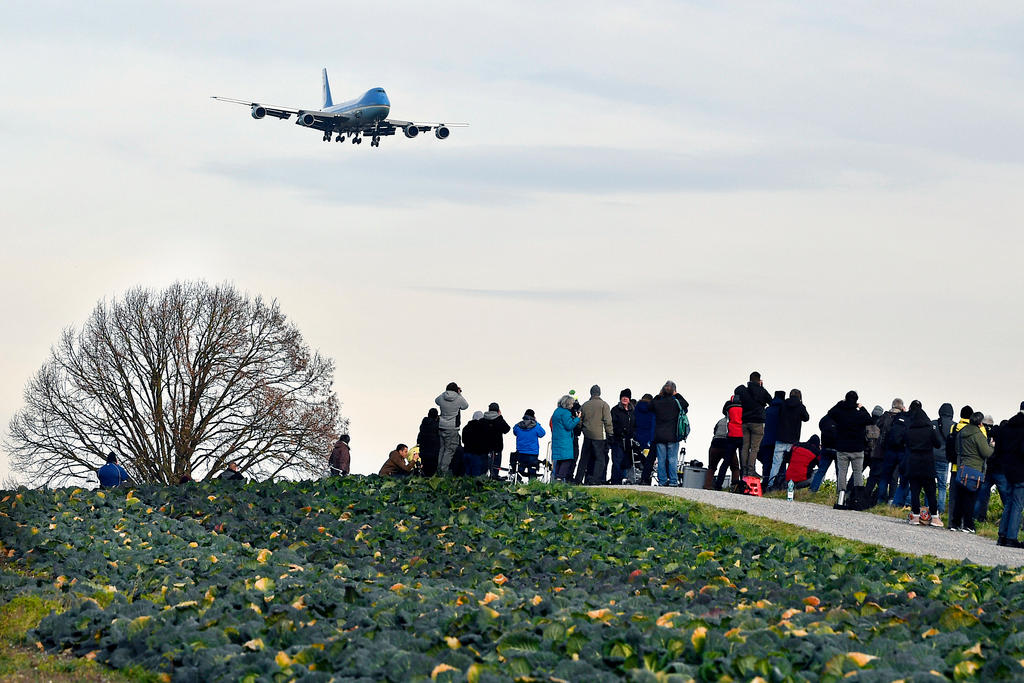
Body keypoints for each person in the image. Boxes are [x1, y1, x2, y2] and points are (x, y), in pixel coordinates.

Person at [949, 412, 994, 533]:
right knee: (970, 498)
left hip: (962, 468)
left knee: (959, 497)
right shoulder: (978, 435)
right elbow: (986, 453)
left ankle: (955, 523)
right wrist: (992, 447)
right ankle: (968, 525)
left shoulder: (962, 432)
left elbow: (957, 449)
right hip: (974, 470)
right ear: (980, 423)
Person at [827, 391, 874, 497]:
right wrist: (862, 408)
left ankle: (841, 496)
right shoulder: (860, 414)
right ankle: (857, 497)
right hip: (857, 449)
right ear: (856, 400)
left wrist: (840, 403)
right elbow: (870, 420)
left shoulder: (840, 412)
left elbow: (830, 413)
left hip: (842, 448)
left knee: (842, 472)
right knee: (858, 472)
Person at [904, 405, 943, 526]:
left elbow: (905, 443)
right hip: (927, 464)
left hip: (914, 463)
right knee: (931, 492)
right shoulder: (930, 429)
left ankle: (915, 517)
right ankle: (935, 518)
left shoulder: (910, 430)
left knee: (915, 491)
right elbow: (938, 444)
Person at [650, 380, 689, 487]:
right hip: (673, 436)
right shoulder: (676, 403)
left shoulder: (657, 403)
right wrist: (677, 394)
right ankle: (673, 481)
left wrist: (658, 395)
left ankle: (662, 481)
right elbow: (686, 404)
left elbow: (650, 406)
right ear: (674, 391)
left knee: (661, 460)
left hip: (660, 436)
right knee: (672, 459)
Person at [734, 372, 772, 478]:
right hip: (757, 423)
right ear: (759, 380)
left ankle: (744, 470)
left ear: (750, 379)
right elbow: (771, 401)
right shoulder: (762, 391)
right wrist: (762, 388)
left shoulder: (743, 391)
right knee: (754, 448)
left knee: (745, 447)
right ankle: (751, 470)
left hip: (745, 422)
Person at [771, 389, 810, 491]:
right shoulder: (800, 407)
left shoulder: (783, 404)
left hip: (780, 438)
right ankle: (788, 486)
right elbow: (806, 418)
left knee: (776, 464)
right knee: (792, 465)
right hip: (793, 440)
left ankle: (771, 485)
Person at [997, 402, 1024, 547]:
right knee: (1018, 504)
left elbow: (998, 450)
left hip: (1007, 470)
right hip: (1021, 471)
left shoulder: (1007, 426)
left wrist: (1005, 465)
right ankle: (1011, 537)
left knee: (1009, 502)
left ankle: (1002, 536)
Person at [576, 386, 613, 485]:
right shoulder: (604, 405)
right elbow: (608, 421)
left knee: (584, 459)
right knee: (600, 459)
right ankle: (595, 480)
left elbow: (579, 420)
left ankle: (578, 479)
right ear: (599, 393)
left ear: (591, 393)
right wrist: (610, 433)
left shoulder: (584, 405)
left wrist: (581, 429)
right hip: (599, 436)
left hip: (587, 435)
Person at [974, 415, 1008, 523]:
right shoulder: (1003, 436)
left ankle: (978, 518)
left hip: (988, 470)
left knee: (982, 496)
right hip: (1000, 471)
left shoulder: (984, 434)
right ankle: (1009, 519)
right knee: (1006, 498)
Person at [873, 399, 907, 505]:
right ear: (901, 406)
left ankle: (880, 499)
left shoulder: (885, 416)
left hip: (886, 450)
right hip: (900, 451)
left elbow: (876, 428)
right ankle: (892, 498)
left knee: (884, 476)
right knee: (894, 477)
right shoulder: (903, 418)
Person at [948, 405, 979, 518]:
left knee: (953, 497)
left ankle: (952, 521)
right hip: (968, 469)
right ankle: (963, 522)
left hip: (955, 466)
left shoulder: (954, 427)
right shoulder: (975, 430)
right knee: (966, 497)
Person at [435, 382, 469, 476]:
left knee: (442, 449)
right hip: (452, 428)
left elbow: (436, 401)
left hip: (441, 426)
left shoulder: (442, 397)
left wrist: (445, 393)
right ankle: (443, 471)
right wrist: (459, 393)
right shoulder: (458, 398)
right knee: (449, 451)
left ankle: (438, 469)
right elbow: (465, 406)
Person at [551, 395, 582, 483]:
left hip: (557, 439)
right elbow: (569, 426)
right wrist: (577, 419)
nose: (572, 406)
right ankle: (560, 478)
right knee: (567, 460)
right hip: (564, 440)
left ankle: (556, 478)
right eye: (571, 404)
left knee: (560, 460)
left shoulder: (556, 411)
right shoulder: (566, 413)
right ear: (567, 404)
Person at [932, 403, 955, 515]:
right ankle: (940, 511)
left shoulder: (933, 424)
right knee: (942, 486)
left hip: (931, 458)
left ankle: (928, 508)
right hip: (944, 460)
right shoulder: (954, 426)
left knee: (930, 484)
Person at [759, 391, 786, 486]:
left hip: (766, 440)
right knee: (780, 464)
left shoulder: (768, 409)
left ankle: (765, 484)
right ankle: (779, 485)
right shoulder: (783, 410)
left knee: (766, 464)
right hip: (778, 440)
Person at [609, 389, 636, 485]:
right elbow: (612, 424)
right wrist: (620, 431)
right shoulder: (615, 410)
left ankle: (625, 482)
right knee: (617, 462)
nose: (625, 398)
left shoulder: (632, 410)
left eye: (627, 397)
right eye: (623, 397)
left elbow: (635, 424)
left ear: (629, 399)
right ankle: (615, 482)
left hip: (629, 441)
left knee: (627, 463)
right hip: (618, 440)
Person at [705, 416, 739, 490]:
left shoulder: (720, 421)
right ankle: (735, 487)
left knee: (711, 467)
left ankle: (708, 485)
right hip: (728, 444)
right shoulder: (736, 421)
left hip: (715, 444)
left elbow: (714, 431)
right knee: (735, 467)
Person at [512, 409, 546, 478]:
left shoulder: (518, 426)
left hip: (521, 453)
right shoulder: (536, 426)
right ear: (533, 416)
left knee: (519, 471)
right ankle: (532, 486)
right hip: (532, 453)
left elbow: (514, 432)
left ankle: (517, 484)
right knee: (532, 473)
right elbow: (542, 434)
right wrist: (536, 423)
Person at [481, 403, 511, 479]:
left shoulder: (483, 420)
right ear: (498, 410)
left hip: (484, 447)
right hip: (497, 447)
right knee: (495, 467)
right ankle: (494, 480)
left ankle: (483, 480)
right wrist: (500, 416)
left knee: (484, 467)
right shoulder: (499, 420)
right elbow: (507, 429)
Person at [810, 414, 838, 492]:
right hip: (838, 449)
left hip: (826, 448)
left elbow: (820, 424)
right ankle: (840, 495)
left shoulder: (827, 418)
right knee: (840, 474)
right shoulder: (844, 417)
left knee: (821, 471)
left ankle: (812, 490)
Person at [863, 406, 886, 501]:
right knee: (877, 477)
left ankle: (852, 491)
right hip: (876, 455)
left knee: (857, 474)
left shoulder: (867, 423)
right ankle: (882, 497)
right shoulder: (880, 425)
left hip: (865, 454)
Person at [634, 394, 657, 485]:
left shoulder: (636, 408)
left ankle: (637, 478)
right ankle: (646, 480)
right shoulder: (652, 409)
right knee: (649, 460)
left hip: (638, 438)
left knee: (637, 459)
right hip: (649, 439)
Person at [461, 412, 491, 477]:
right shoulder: (481, 428)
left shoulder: (466, 427)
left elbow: (463, 440)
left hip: (466, 453)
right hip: (476, 455)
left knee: (466, 476)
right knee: (475, 477)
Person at [416, 409, 441, 477]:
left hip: (424, 454)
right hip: (434, 454)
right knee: (434, 475)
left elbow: (418, 441)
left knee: (426, 473)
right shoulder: (437, 425)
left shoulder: (423, 426)